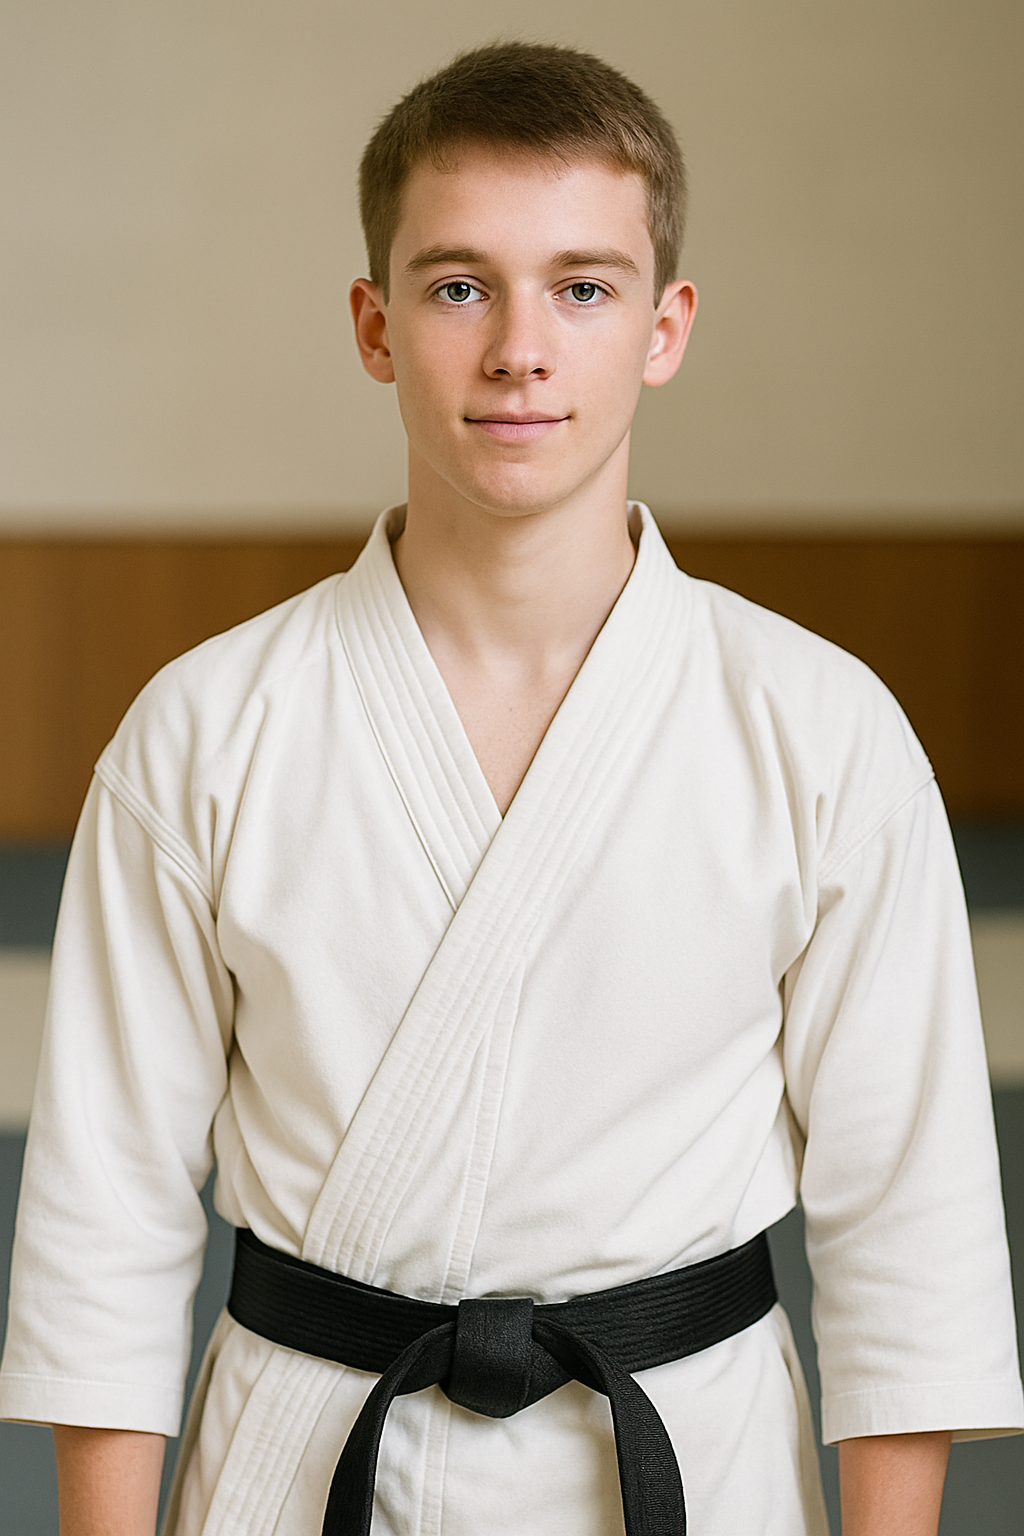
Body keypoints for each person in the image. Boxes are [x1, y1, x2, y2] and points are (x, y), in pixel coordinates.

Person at [1, 40, 1020, 1536]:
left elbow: (905, 1218)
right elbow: (107, 1206)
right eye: (460, 284)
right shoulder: (206, 730)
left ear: (666, 328)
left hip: (692, 1456)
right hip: (300, 1460)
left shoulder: (818, 727)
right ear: (375, 322)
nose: (520, 348)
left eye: (585, 288)